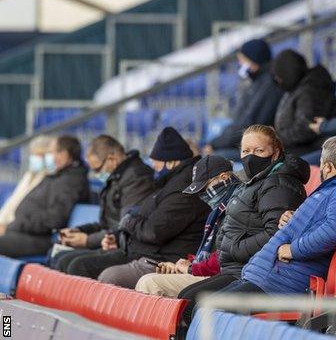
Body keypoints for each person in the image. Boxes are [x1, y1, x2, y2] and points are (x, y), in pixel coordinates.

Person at [176, 124, 309, 327]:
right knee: (186, 300)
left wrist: (235, 248)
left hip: (249, 269)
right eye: (245, 151)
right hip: (234, 266)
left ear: (275, 153)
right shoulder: (254, 181)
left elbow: (276, 233)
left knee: (193, 305)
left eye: (259, 151)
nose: (250, 157)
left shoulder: (279, 184)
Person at [220, 135, 336, 295]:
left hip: (279, 283)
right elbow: (327, 224)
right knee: (204, 308)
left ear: (327, 167)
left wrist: (294, 250)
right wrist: (296, 219)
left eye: (321, 163)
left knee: (208, 311)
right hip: (268, 276)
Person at [65, 127, 210, 288]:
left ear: (171, 162)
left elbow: (153, 231)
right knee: (67, 260)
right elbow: (139, 218)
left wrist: (127, 223)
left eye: (156, 166)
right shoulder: (168, 184)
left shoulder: (182, 189)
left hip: (160, 259)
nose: (154, 169)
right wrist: (120, 235)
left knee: (97, 272)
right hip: (143, 251)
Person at [135, 155, 239, 297]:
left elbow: (227, 255)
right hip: (207, 272)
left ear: (224, 177)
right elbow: (208, 253)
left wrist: (191, 268)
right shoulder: (216, 211)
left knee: (150, 283)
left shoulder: (237, 205)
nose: (203, 195)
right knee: (148, 279)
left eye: (205, 188)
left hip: (225, 276)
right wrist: (186, 263)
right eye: (199, 191)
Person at [51, 135, 154, 272]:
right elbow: (107, 222)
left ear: (112, 159)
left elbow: (126, 226)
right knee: (58, 256)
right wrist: (80, 231)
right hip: (110, 241)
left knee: (75, 265)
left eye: (98, 169)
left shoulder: (137, 177)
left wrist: (87, 240)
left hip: (127, 248)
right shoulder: (115, 178)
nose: (95, 174)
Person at [0, 135, 89, 257]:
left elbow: (54, 219)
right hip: (25, 231)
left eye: (51, 152)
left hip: (41, 239)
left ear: (64, 154)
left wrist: (19, 223)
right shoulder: (57, 176)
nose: (49, 157)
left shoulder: (69, 181)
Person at [204, 39, 284, 160]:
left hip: (260, 145)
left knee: (214, 158)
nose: (240, 64)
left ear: (254, 60)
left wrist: (215, 144)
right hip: (250, 141)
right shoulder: (258, 82)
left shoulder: (268, 85)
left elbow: (249, 123)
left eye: (242, 60)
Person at [272, 49, 336, 156]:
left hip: (311, 149)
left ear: (288, 73)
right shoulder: (298, 87)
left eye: (279, 77)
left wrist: (274, 140)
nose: (278, 81)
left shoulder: (310, 91)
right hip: (298, 148)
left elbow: (305, 129)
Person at [0, 136, 53, 226]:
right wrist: (1, 221)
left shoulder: (49, 179)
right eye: (33, 154)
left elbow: (29, 208)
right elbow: (13, 201)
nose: (35, 158)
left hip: (19, 225)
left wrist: (7, 226)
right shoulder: (29, 175)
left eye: (40, 155)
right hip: (7, 223)